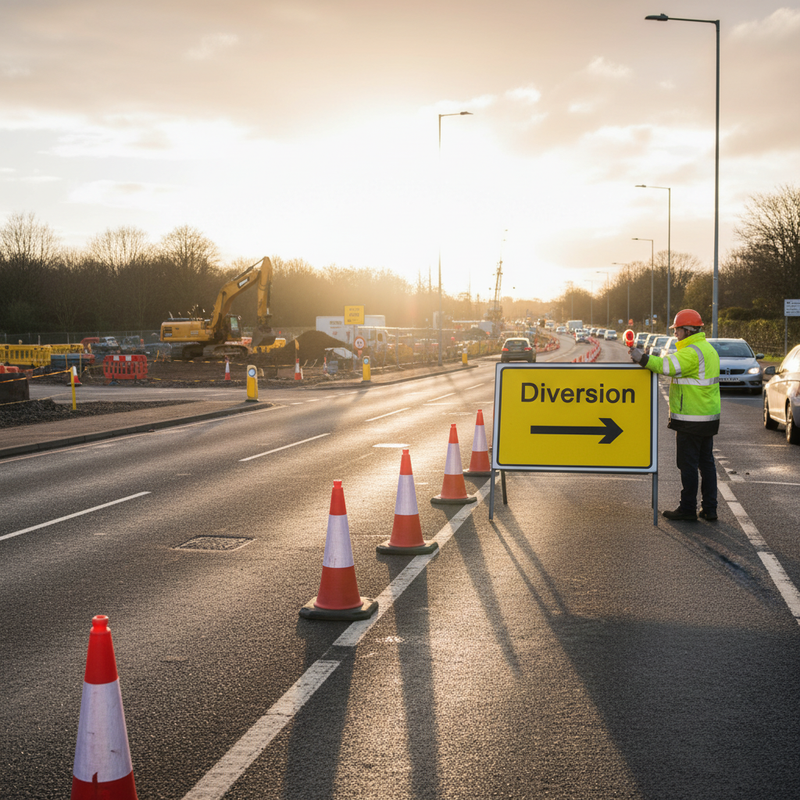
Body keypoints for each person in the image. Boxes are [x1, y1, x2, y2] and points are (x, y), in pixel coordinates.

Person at [628, 309, 721, 521]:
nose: (675, 334)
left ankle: (687, 508)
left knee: (687, 464)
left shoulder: (691, 352)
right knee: (706, 463)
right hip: (708, 417)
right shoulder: (708, 349)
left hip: (691, 418)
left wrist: (641, 358)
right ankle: (710, 508)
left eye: (677, 329)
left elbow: (665, 366)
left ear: (687, 330)